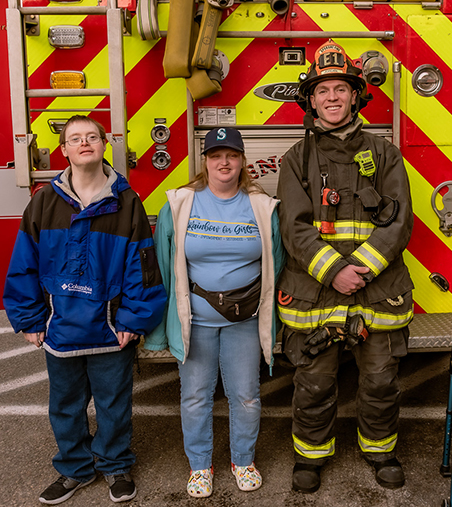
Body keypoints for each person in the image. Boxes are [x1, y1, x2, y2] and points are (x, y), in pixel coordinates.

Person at [3, 115, 166, 504]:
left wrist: (131, 318)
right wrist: (29, 319)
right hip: (60, 329)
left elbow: (142, 265)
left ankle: (114, 465)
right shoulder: (44, 201)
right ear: (65, 150)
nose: (84, 143)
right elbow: (24, 261)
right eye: (75, 138)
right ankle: (74, 468)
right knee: (65, 405)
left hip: (111, 329)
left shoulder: (126, 201)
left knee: (113, 404)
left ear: (104, 144)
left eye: (92, 136)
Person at [276, 40, 414, 493]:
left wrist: (362, 270)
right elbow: (293, 227)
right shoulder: (296, 159)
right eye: (323, 90)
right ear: (311, 99)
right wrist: (335, 271)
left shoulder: (385, 154)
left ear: (356, 95)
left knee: (379, 379)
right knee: (314, 381)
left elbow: (399, 223)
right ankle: (311, 455)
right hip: (318, 292)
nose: (332, 97)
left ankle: (380, 450)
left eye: (340, 88)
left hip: (375, 290)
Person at [144, 127, 285, 498]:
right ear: (204, 162)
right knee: (194, 397)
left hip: (246, 320)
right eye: (216, 155)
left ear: (243, 162)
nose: (224, 162)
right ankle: (200, 467)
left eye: (232, 155)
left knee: (246, 396)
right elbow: (161, 263)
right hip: (195, 321)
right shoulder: (179, 204)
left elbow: (279, 264)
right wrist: (160, 329)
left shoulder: (261, 207)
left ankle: (243, 460)